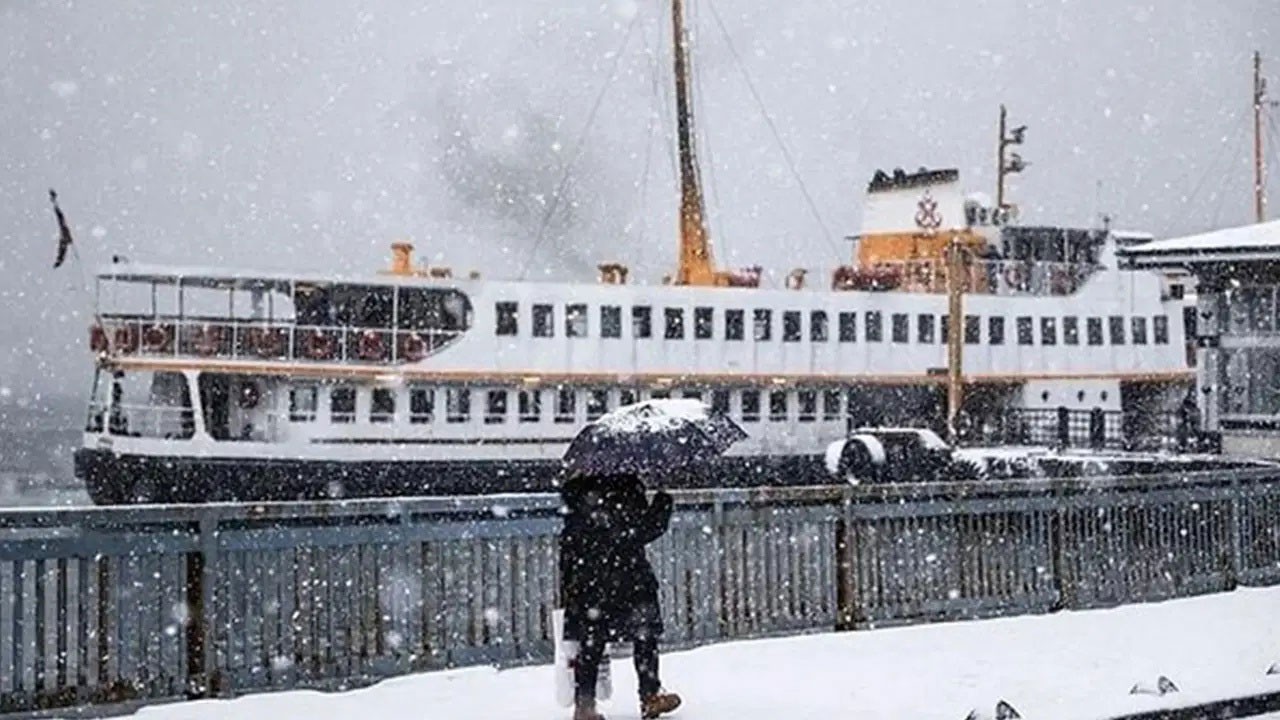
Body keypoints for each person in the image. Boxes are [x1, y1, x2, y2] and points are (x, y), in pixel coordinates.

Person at [559, 474, 682, 720]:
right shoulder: (625, 488)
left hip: (589, 582)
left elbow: (569, 543)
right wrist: (663, 499)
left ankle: (585, 705)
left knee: (591, 643)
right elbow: (645, 529)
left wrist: (569, 584)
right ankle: (650, 696)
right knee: (644, 637)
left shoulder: (577, 496)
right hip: (630, 578)